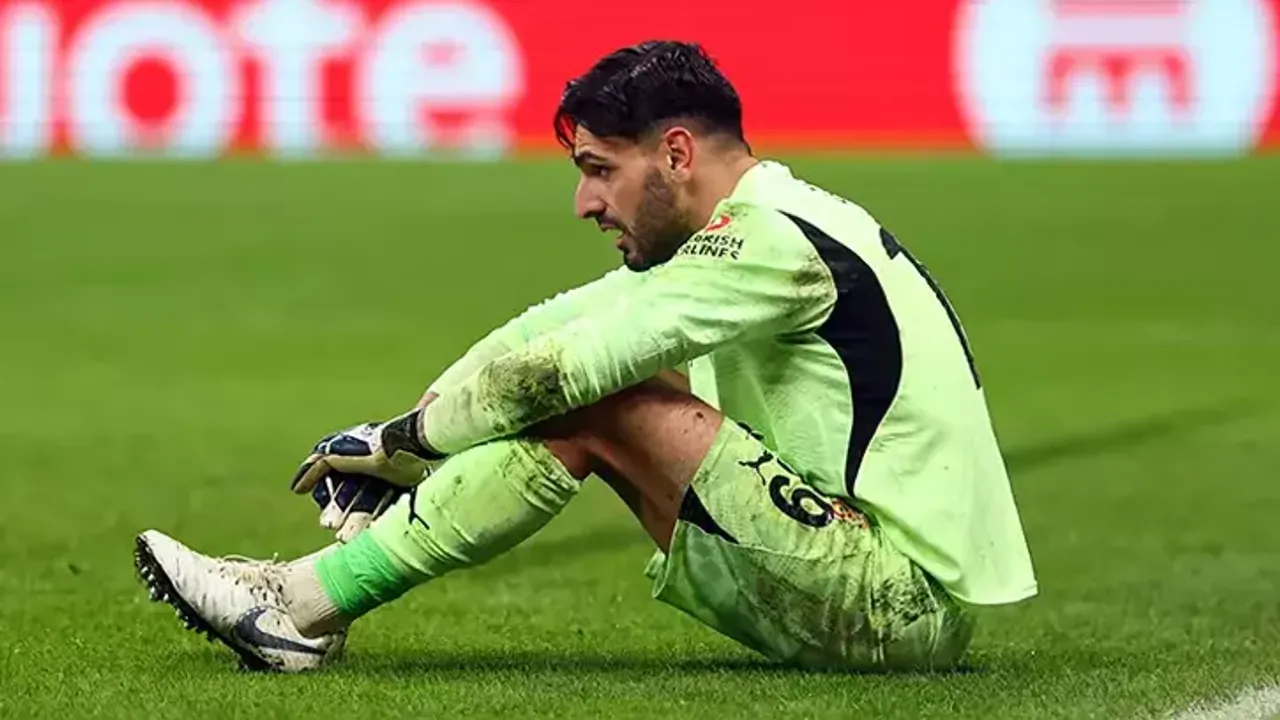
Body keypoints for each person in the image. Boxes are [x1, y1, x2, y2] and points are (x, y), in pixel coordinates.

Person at [134, 40, 1037, 674]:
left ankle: (297, 607)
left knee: (601, 396)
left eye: (600, 169)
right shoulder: (743, 235)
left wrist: (406, 444)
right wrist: (407, 434)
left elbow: (569, 371)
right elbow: (550, 330)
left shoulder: (774, 241)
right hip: (852, 567)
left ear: (674, 153)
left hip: (898, 603)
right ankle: (303, 604)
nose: (584, 202)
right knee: (585, 385)